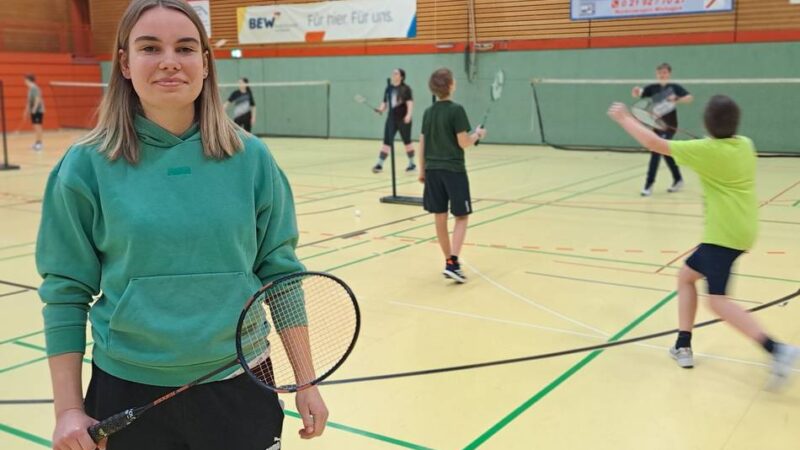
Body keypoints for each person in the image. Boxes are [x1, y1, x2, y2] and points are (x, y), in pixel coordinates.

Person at [36, 2, 327, 449]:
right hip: (127, 391)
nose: (169, 61)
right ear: (125, 63)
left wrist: (306, 379)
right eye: (150, 47)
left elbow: (281, 274)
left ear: (205, 64)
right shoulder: (85, 167)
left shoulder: (251, 160)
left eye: (185, 48)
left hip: (242, 383)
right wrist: (69, 409)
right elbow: (65, 291)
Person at [608, 95, 799, 389]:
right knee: (686, 277)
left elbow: (655, 145)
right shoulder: (745, 144)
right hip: (742, 230)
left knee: (718, 302)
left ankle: (777, 350)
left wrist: (624, 119)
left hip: (722, 235)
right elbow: (715, 147)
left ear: (705, 124)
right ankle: (683, 344)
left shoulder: (705, 150)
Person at [418, 68, 485, 283]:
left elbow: (422, 143)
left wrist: (422, 169)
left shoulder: (428, 112)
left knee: (439, 216)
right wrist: (477, 135)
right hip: (453, 171)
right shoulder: (456, 110)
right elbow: (463, 142)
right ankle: (453, 262)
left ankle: (448, 261)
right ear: (450, 86)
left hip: (433, 170)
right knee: (461, 216)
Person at [631, 63, 693, 196]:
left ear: (669, 74)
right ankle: (678, 179)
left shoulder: (674, 88)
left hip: (669, 126)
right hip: (657, 126)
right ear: (656, 74)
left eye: (664, 72)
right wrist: (636, 91)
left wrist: (676, 98)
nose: (662, 75)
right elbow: (640, 94)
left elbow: (689, 98)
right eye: (660, 73)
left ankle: (648, 185)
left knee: (656, 151)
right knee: (666, 152)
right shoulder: (653, 88)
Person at [372, 68, 416, 173]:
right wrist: (380, 109)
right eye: (393, 73)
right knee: (387, 141)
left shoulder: (406, 89)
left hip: (403, 118)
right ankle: (380, 164)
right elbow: (385, 102)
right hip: (391, 119)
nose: (393, 75)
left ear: (401, 77)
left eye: (396, 73)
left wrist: (409, 115)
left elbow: (410, 103)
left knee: (407, 141)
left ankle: (412, 164)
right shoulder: (388, 88)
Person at [22, 74, 45, 151]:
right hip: (33, 111)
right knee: (35, 127)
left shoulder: (35, 88)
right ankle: (37, 142)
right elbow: (29, 102)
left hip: (38, 111)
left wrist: (34, 109)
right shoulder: (30, 89)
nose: (24, 81)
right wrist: (26, 111)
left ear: (28, 80)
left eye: (25, 80)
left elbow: (37, 99)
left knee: (38, 126)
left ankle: (40, 143)